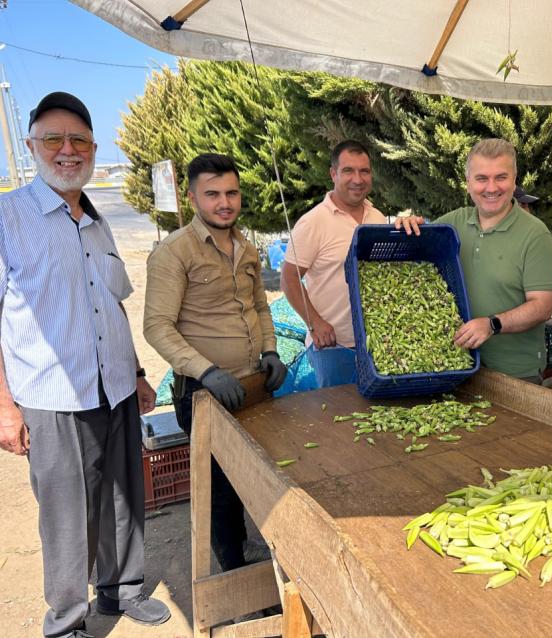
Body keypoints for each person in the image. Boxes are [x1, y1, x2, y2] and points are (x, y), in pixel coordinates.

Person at [0, 92, 170, 637]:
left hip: (114, 386)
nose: (67, 150)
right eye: (54, 138)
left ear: (94, 149)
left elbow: (110, 303)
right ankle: (67, 620)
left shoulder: (97, 221)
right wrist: (5, 409)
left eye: (79, 140)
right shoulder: (9, 218)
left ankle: (122, 591)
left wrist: (137, 373)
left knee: (124, 498)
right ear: (32, 146)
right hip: (51, 396)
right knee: (67, 514)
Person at [144, 153, 286, 570]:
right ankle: (232, 567)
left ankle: (247, 548)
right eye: (212, 194)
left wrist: (271, 351)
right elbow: (157, 326)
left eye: (231, 193)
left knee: (251, 474)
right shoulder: (174, 252)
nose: (224, 203)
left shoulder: (246, 247)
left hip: (251, 383)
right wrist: (206, 371)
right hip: (204, 392)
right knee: (218, 486)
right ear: (192, 198)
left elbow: (260, 307)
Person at [399, 138, 552, 382]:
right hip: (455, 362)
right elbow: (413, 256)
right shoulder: (453, 223)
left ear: (514, 180)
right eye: (481, 178)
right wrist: (408, 225)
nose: (491, 188)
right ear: (468, 183)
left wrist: (491, 324)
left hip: (514, 372)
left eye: (501, 177)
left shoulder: (535, 235)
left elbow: (542, 307)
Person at [281, 140, 389, 387]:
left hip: (375, 341)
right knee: (337, 408)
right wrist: (314, 323)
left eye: (364, 171)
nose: (357, 179)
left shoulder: (377, 217)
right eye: (348, 171)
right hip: (333, 345)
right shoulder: (313, 222)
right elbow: (288, 279)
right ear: (333, 174)